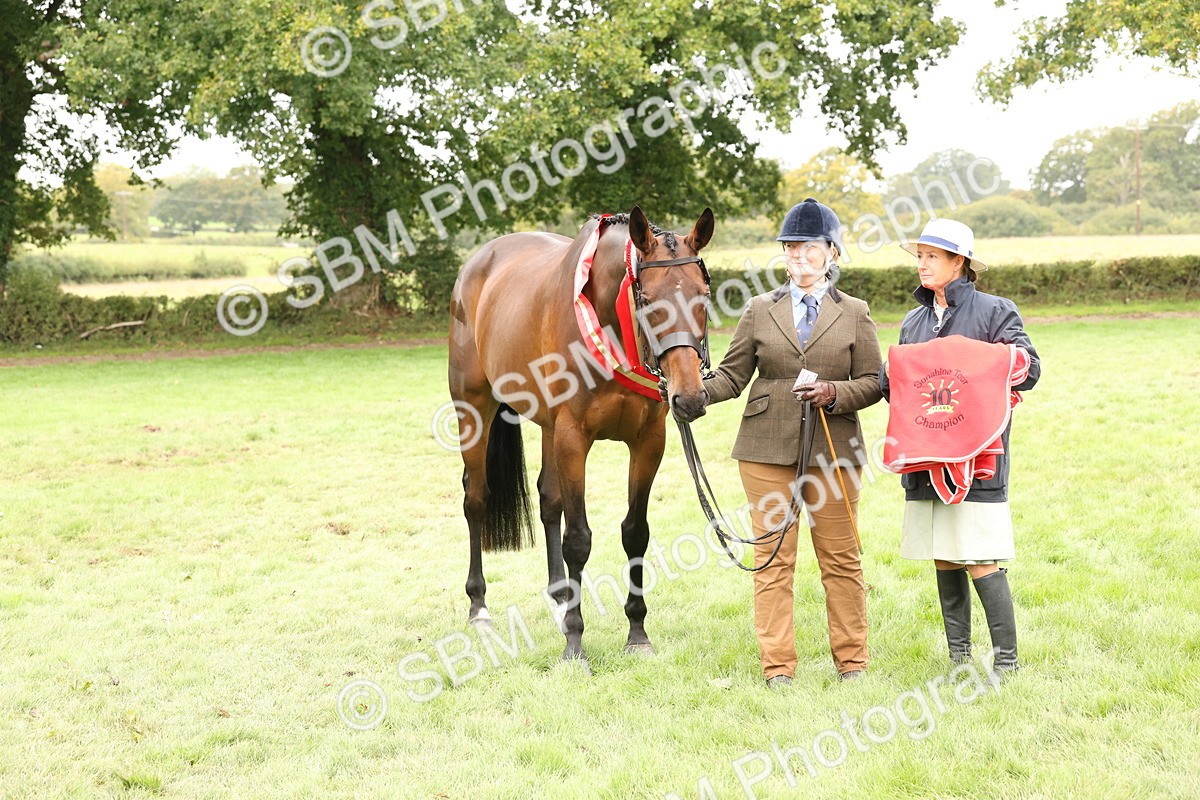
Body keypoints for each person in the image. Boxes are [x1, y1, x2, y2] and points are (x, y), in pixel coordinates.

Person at [703, 198, 884, 687]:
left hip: (835, 449)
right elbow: (732, 374)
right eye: (790, 248)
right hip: (766, 450)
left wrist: (832, 392)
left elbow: (873, 381)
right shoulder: (759, 309)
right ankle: (778, 667)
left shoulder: (856, 313)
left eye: (809, 249)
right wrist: (696, 395)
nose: (799, 258)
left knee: (841, 559)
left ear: (832, 253)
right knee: (773, 559)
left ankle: (852, 663)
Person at [880, 218, 1041, 676]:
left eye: (933, 256)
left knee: (979, 554)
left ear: (959, 262)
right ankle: (959, 659)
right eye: (920, 256)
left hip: (978, 455)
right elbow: (901, 388)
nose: (923, 264)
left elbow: (1029, 369)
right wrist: (888, 377)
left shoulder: (995, 311)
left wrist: (971, 360)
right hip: (925, 453)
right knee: (945, 553)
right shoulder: (913, 320)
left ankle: (1006, 664)